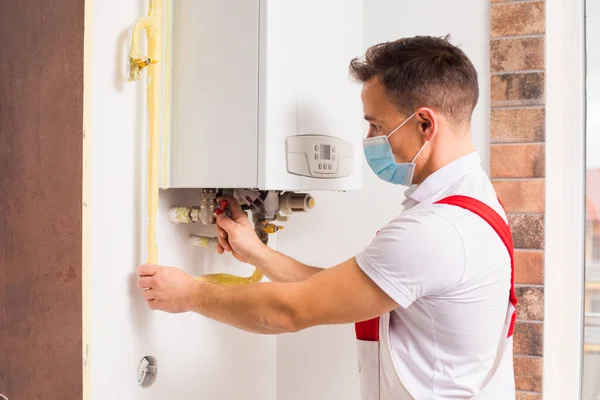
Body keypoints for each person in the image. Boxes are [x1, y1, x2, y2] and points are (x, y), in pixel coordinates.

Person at [136, 35, 517, 399]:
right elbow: (345, 289)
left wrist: (189, 294)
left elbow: (286, 311)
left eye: (377, 125)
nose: (369, 138)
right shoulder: (475, 203)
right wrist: (257, 253)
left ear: (425, 124)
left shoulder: (435, 231)